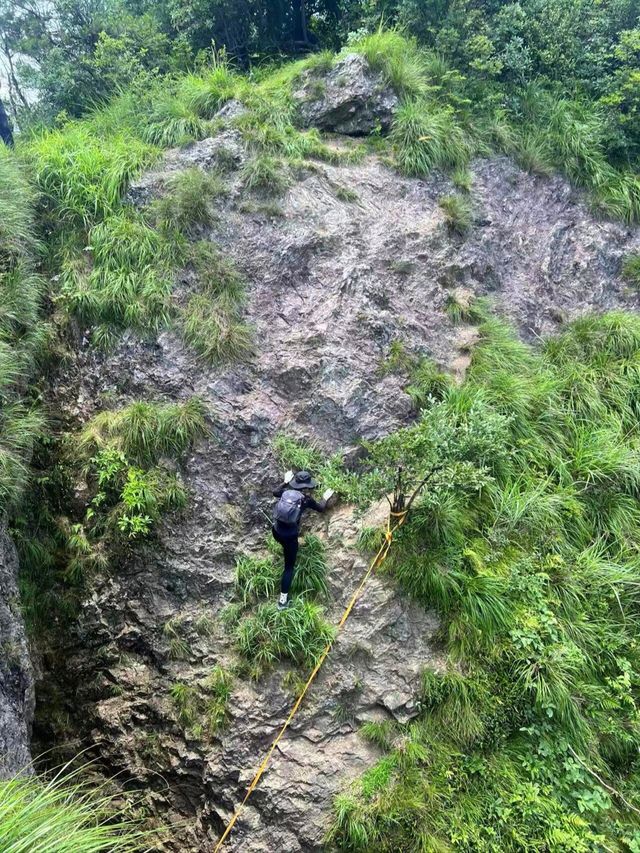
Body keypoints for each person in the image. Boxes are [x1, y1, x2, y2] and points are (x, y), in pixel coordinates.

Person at [272, 470, 333, 610]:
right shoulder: (306, 500)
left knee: (285, 547)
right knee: (288, 568)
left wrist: (285, 481)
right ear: (307, 485)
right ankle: (282, 602)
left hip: (276, 532)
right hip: (290, 537)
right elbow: (321, 508)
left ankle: (284, 550)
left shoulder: (285, 493)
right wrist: (325, 497)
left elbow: (275, 491)